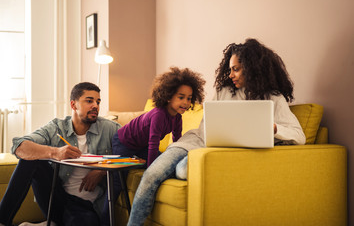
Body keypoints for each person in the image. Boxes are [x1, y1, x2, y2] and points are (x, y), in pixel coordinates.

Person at [126, 38, 306, 226]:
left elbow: (299, 136)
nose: (231, 75)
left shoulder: (274, 98)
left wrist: (274, 128)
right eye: (230, 69)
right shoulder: (225, 91)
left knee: (183, 169)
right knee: (151, 174)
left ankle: (176, 167)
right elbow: (209, 125)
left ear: (252, 67)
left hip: (217, 154)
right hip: (194, 141)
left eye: (235, 69)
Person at [0, 82, 121, 226]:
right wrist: (54, 152)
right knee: (30, 160)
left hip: (86, 205)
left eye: (98, 101)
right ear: (73, 105)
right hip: (58, 198)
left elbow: (133, 154)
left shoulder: (110, 129)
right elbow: (19, 146)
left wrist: (101, 170)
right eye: (89, 101)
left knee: (84, 222)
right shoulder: (57, 127)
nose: (95, 105)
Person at [101, 67, 205, 225]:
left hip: (141, 147)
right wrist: (151, 169)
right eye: (181, 97)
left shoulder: (177, 118)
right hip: (124, 142)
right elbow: (153, 143)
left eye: (189, 98)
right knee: (117, 182)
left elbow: (176, 143)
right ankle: (102, 220)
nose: (186, 102)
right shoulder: (158, 115)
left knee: (164, 161)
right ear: (168, 96)